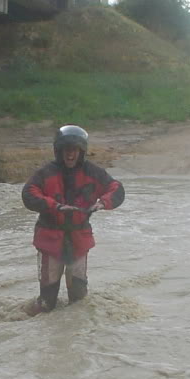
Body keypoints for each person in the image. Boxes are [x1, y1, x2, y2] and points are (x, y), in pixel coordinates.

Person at [21, 125, 125, 314]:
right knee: (47, 303)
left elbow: (116, 188)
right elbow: (28, 194)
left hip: (79, 240)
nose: (70, 155)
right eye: (66, 150)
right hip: (50, 240)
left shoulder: (93, 172)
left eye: (74, 150)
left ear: (81, 151)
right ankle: (26, 318)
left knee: (78, 301)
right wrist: (55, 206)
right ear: (58, 151)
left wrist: (103, 203)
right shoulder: (45, 173)